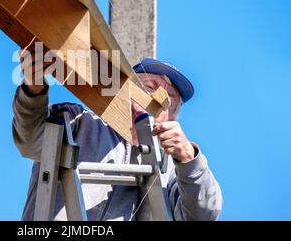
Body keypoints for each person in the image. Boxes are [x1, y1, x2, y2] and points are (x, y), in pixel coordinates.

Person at [12, 48, 223, 221]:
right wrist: (33, 89)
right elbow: (29, 140)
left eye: (168, 99)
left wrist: (189, 158)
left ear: (172, 120)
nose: (157, 99)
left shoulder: (172, 169)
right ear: (126, 92)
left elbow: (204, 215)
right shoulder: (78, 122)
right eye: (149, 87)